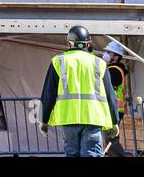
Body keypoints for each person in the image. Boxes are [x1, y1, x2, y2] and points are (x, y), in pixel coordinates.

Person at [40, 25, 119, 157]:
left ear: (69, 43)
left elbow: (48, 94)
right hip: (93, 119)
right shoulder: (99, 64)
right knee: (92, 154)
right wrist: (114, 121)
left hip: (68, 119)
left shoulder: (58, 62)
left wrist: (44, 119)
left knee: (72, 154)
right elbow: (110, 95)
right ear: (88, 44)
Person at [102, 39, 132, 156]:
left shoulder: (115, 71)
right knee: (109, 139)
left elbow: (106, 85)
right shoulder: (112, 69)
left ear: (116, 56)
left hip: (113, 109)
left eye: (110, 52)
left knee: (111, 139)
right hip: (112, 108)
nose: (106, 54)